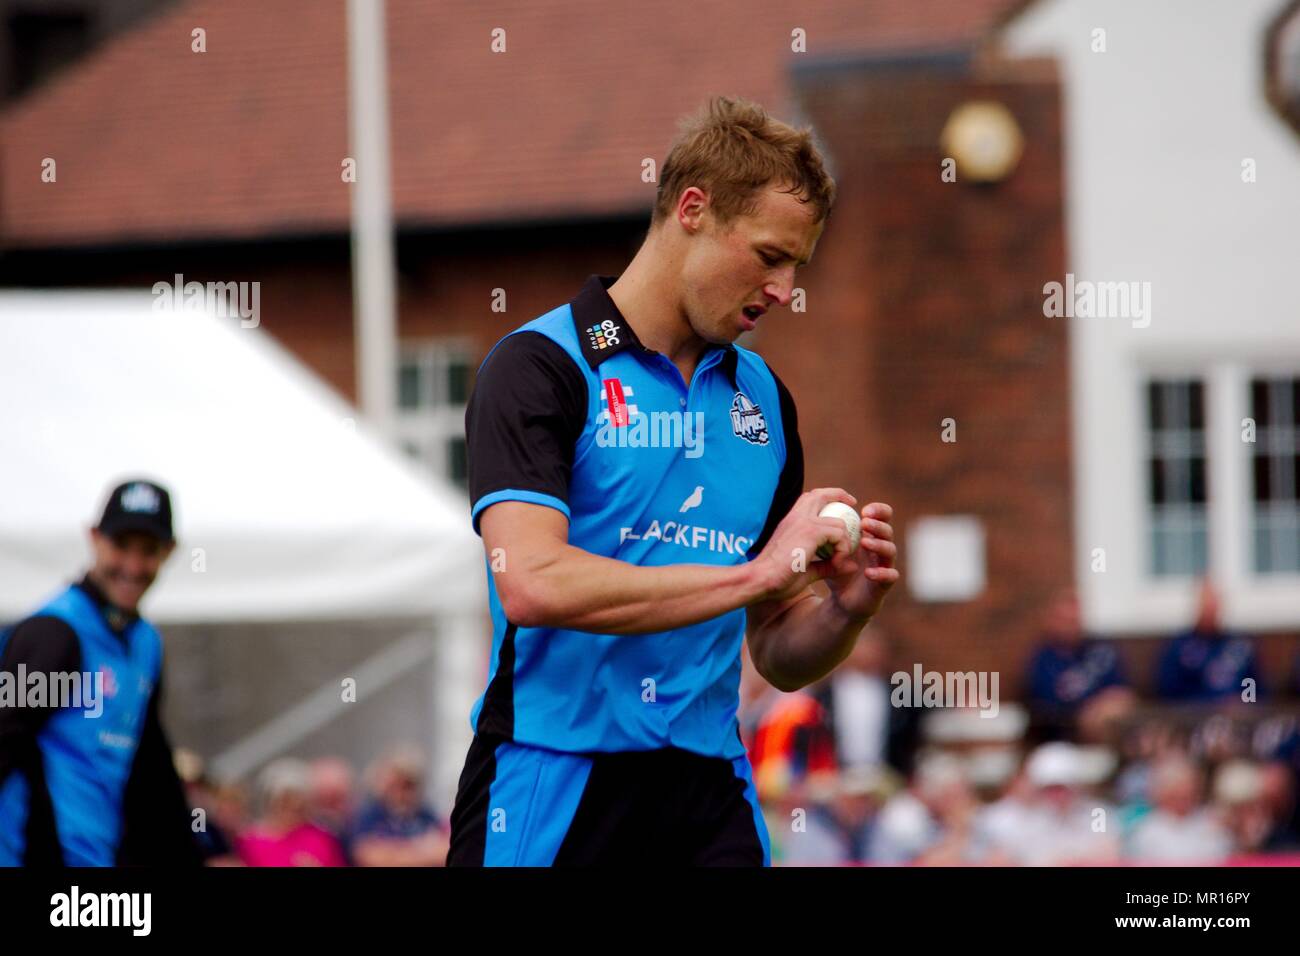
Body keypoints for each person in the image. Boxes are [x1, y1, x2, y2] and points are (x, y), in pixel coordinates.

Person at [447, 95, 899, 867]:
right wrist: (759, 574)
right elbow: (532, 581)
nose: (786, 288)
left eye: (798, 265)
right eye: (768, 255)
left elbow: (777, 649)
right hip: (552, 780)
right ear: (693, 209)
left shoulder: (762, 398)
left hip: (708, 787)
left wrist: (843, 616)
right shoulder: (541, 367)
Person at [0, 478, 200, 866]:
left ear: (170, 552)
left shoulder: (145, 644)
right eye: (121, 546)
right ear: (93, 538)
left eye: (149, 551)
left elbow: (151, 768)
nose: (133, 566)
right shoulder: (56, 634)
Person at [1024, 589, 1135, 741]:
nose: (1072, 626)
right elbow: (1049, 705)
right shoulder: (1044, 661)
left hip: (1111, 717)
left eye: (1075, 620)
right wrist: (1089, 710)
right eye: (1065, 620)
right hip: (1068, 733)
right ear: (1052, 621)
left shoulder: (1100, 650)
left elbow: (1120, 689)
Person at [1157, 579, 1260, 703]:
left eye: (1214, 603)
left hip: (1238, 718)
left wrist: (1246, 700)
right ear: (1196, 605)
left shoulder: (1240, 646)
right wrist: (1211, 702)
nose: (1210, 609)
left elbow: (1255, 686)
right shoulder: (1179, 648)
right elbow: (1169, 693)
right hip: (1194, 718)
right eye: (1205, 603)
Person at [237, 758, 347, 867]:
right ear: (270, 800)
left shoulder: (322, 839)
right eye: (285, 799)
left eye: (298, 798)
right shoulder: (250, 841)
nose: (293, 805)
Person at [351, 744, 448, 867]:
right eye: (396, 785)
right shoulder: (369, 816)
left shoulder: (426, 815)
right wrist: (420, 849)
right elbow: (370, 857)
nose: (401, 793)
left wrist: (396, 852)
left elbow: (445, 853)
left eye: (408, 786)